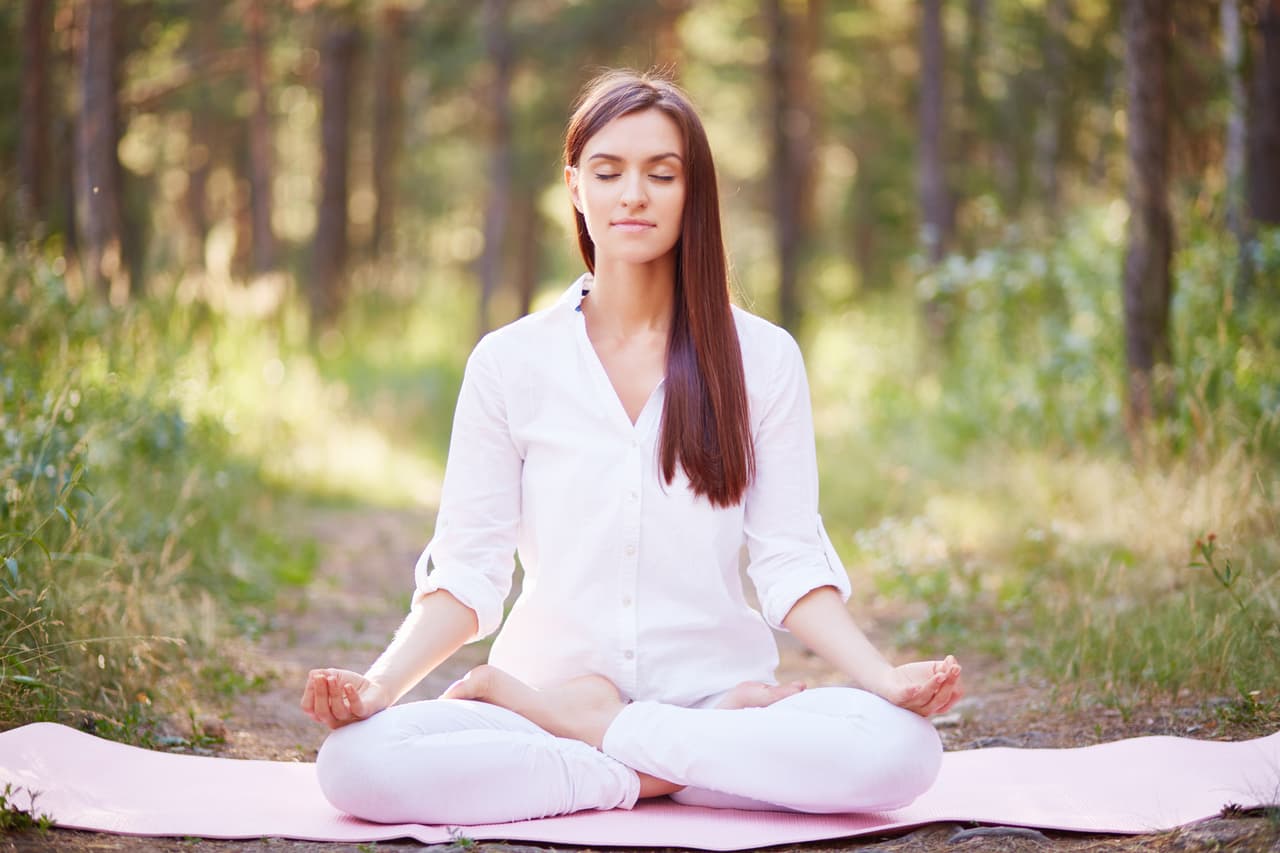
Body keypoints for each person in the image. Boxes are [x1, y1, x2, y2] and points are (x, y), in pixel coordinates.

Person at [300, 69, 963, 827]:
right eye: (608, 172)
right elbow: (468, 570)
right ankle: (665, 767)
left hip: (714, 696)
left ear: (695, 192)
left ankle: (600, 741)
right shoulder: (510, 361)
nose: (633, 195)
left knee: (900, 750)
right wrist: (380, 687)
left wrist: (881, 678)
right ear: (576, 187)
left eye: (662, 173)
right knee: (356, 764)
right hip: (546, 695)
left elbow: (789, 559)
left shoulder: (764, 358)